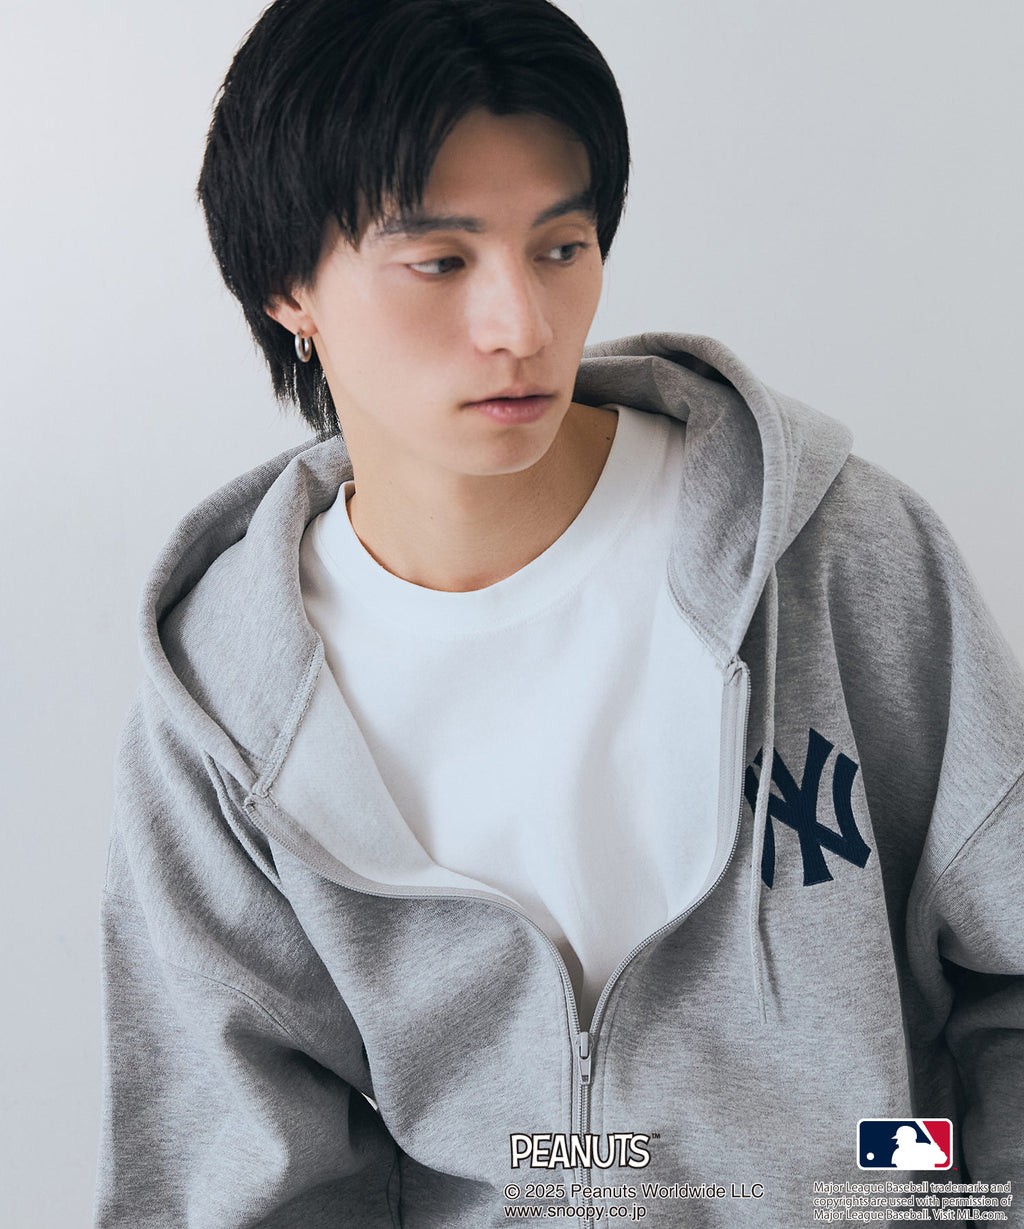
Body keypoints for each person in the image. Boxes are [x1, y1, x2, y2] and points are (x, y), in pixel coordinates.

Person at [96, 0, 1024, 1224]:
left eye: (560, 247)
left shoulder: (833, 556)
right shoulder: (229, 712)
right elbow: (240, 1177)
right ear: (288, 288)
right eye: (441, 262)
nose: (521, 328)